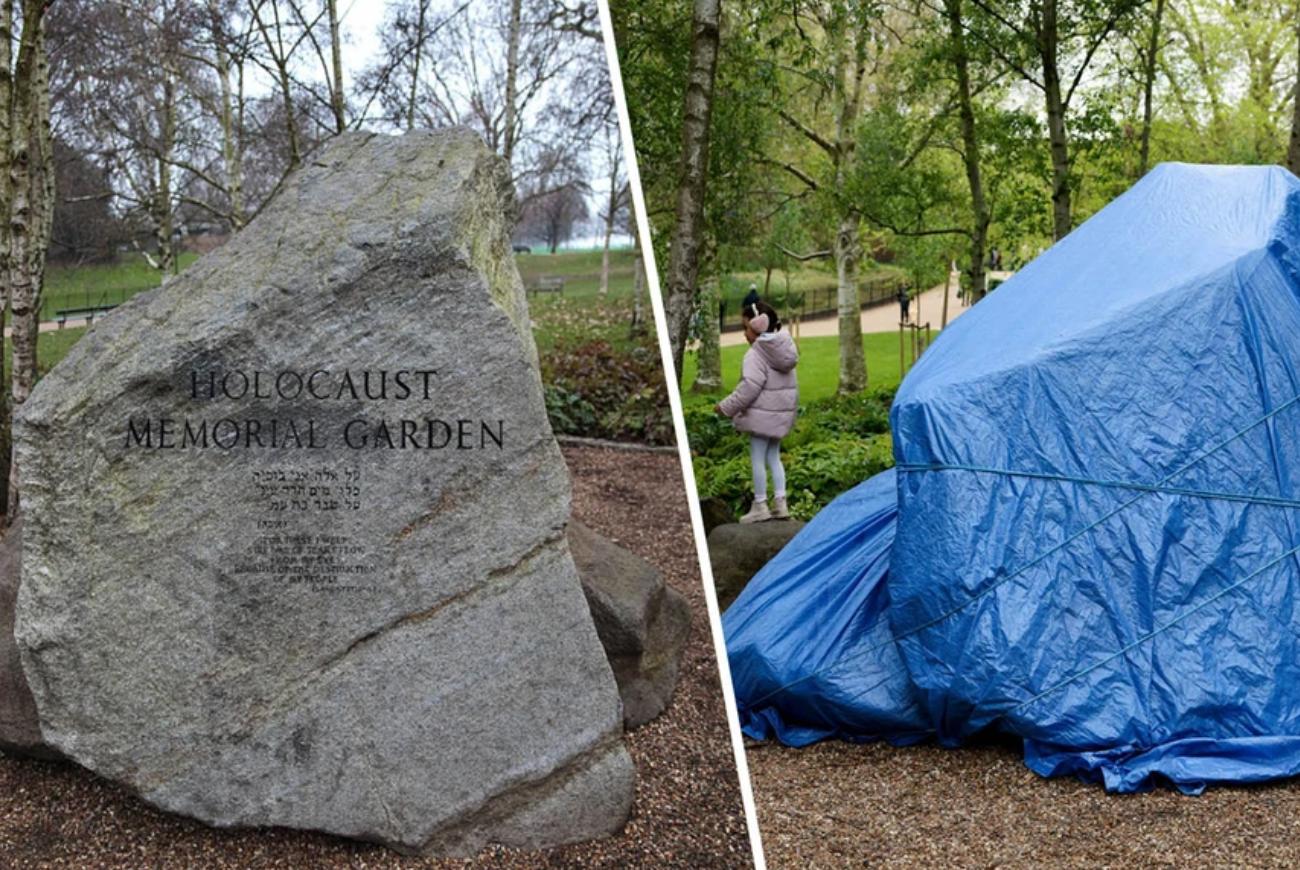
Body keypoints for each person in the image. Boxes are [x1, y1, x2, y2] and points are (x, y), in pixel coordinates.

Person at [715, 294, 799, 523]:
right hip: (779, 416)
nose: (744, 334)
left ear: (756, 328)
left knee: (757, 459)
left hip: (761, 417)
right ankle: (781, 502)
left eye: (745, 328)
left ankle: (760, 504)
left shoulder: (756, 355)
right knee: (774, 457)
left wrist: (725, 407)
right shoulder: (785, 351)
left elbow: (749, 387)